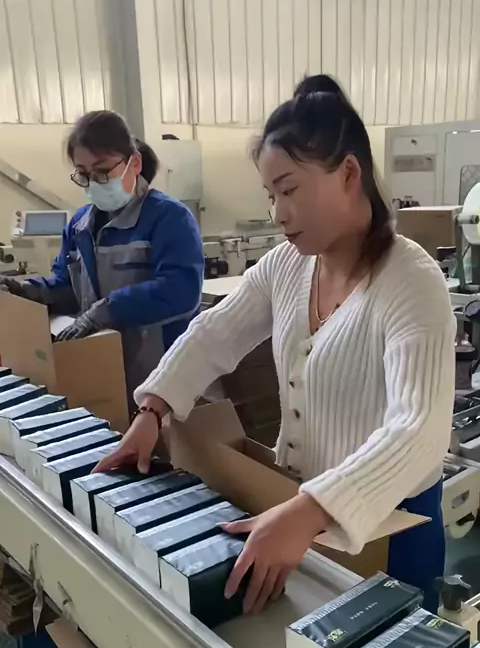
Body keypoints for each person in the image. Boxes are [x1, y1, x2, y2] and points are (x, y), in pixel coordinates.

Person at [96, 76, 455, 614]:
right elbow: (214, 333)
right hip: (296, 509)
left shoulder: (411, 282)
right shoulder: (288, 265)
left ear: (348, 174)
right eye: (271, 196)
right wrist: (153, 409)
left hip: (391, 528)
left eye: (289, 190)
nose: (277, 213)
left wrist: (311, 510)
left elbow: (418, 428)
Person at [0, 111, 204, 403]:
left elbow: (180, 291)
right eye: (83, 174)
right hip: (103, 370)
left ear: (134, 163)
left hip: (160, 378)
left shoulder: (169, 218)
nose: (93, 182)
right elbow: (68, 287)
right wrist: (28, 291)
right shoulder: (79, 226)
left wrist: (105, 312)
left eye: (102, 171)